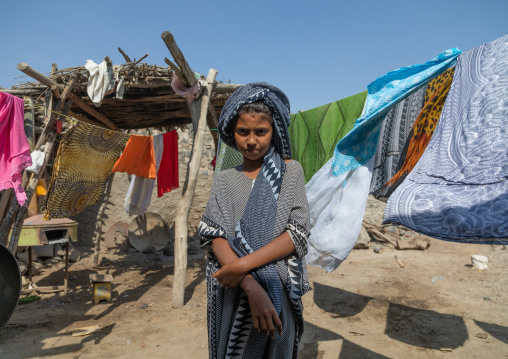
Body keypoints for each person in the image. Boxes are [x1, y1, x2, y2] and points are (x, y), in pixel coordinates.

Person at [198, 82, 310, 359]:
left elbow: (297, 233)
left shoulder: (290, 172)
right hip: (233, 291)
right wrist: (248, 284)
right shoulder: (224, 179)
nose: (251, 141)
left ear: (274, 132)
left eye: (261, 132)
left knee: (275, 346)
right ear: (231, 133)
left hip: (276, 286)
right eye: (243, 132)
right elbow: (214, 234)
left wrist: (240, 267)